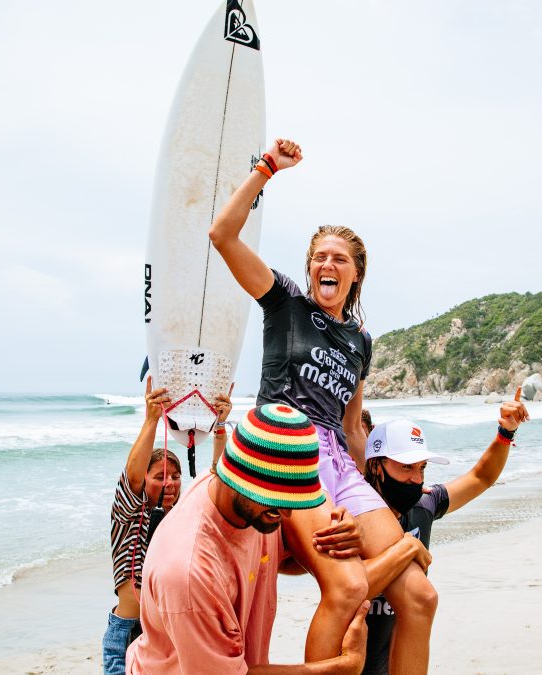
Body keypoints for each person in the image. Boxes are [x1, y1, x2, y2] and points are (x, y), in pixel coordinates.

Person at [210, 138, 438, 673]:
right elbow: (222, 235)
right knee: (346, 587)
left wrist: (363, 500)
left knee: (420, 597)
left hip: (338, 465)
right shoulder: (285, 303)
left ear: (356, 273)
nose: (326, 264)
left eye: (339, 258)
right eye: (319, 258)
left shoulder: (361, 340)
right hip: (287, 453)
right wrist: (267, 168)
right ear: (309, 269)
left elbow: (353, 427)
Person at [126, 403, 370, 674]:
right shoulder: (188, 571)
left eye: (294, 500)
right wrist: (340, 667)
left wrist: (340, 537)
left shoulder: (250, 506)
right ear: (236, 480)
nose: (287, 512)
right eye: (275, 501)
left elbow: (276, 560)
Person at [359, 390, 528, 675]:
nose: (416, 478)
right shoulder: (350, 516)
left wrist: (505, 433)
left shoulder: (424, 505)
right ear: (376, 465)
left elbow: (480, 477)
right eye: (406, 467)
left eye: (422, 467)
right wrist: (406, 548)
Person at [101, 377, 231, 675]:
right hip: (129, 634)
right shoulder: (130, 514)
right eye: (159, 476)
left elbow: (219, 481)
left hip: (172, 635)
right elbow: (132, 477)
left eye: (174, 476)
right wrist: (151, 421)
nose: (169, 483)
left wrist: (220, 428)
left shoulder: (182, 519)